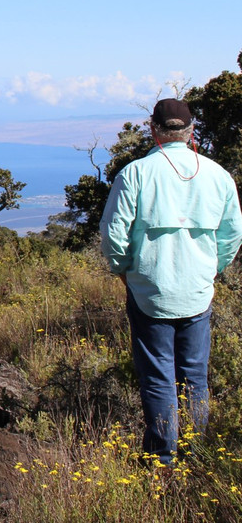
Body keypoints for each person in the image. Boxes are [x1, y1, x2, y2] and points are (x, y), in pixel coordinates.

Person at [101, 98, 242, 465]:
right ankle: (197, 454)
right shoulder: (218, 175)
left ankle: (163, 457)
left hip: (150, 289)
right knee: (195, 376)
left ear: (154, 130)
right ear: (191, 131)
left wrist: (124, 270)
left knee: (158, 377)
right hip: (197, 291)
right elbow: (232, 235)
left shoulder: (136, 173)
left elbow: (114, 234)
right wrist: (212, 270)